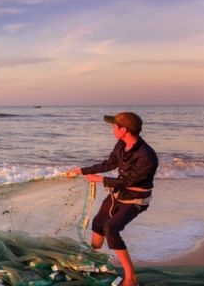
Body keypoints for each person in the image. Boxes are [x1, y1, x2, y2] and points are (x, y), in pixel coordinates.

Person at [65, 112, 158, 286]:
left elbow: (129, 181)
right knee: (99, 223)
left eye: (114, 126)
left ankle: (131, 277)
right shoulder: (121, 145)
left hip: (136, 200)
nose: (112, 129)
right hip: (118, 194)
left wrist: (100, 180)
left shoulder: (147, 156)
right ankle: (93, 261)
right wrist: (82, 170)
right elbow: (109, 164)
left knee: (111, 229)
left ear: (124, 130)